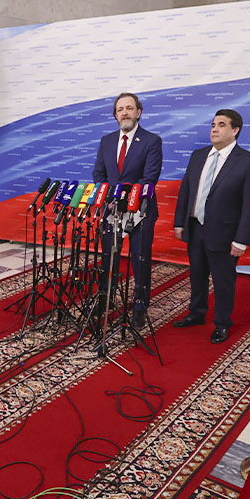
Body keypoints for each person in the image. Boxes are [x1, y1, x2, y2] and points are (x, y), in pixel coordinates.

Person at [172, 109, 250, 343]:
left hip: (225, 233)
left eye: (221, 125)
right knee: (197, 274)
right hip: (196, 228)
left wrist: (241, 240)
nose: (214, 129)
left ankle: (222, 323)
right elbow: (186, 191)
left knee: (223, 281)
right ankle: (196, 313)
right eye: (213, 124)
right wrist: (180, 222)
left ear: (235, 130)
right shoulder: (198, 155)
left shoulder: (249, 162)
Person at [92, 92, 163, 328]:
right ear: (115, 115)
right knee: (108, 257)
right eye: (120, 109)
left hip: (139, 211)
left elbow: (149, 178)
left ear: (138, 112)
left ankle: (140, 305)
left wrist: (125, 198)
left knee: (140, 259)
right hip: (111, 210)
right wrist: (110, 198)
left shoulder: (152, 141)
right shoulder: (106, 141)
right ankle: (106, 298)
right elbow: (99, 174)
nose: (124, 113)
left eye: (129, 108)